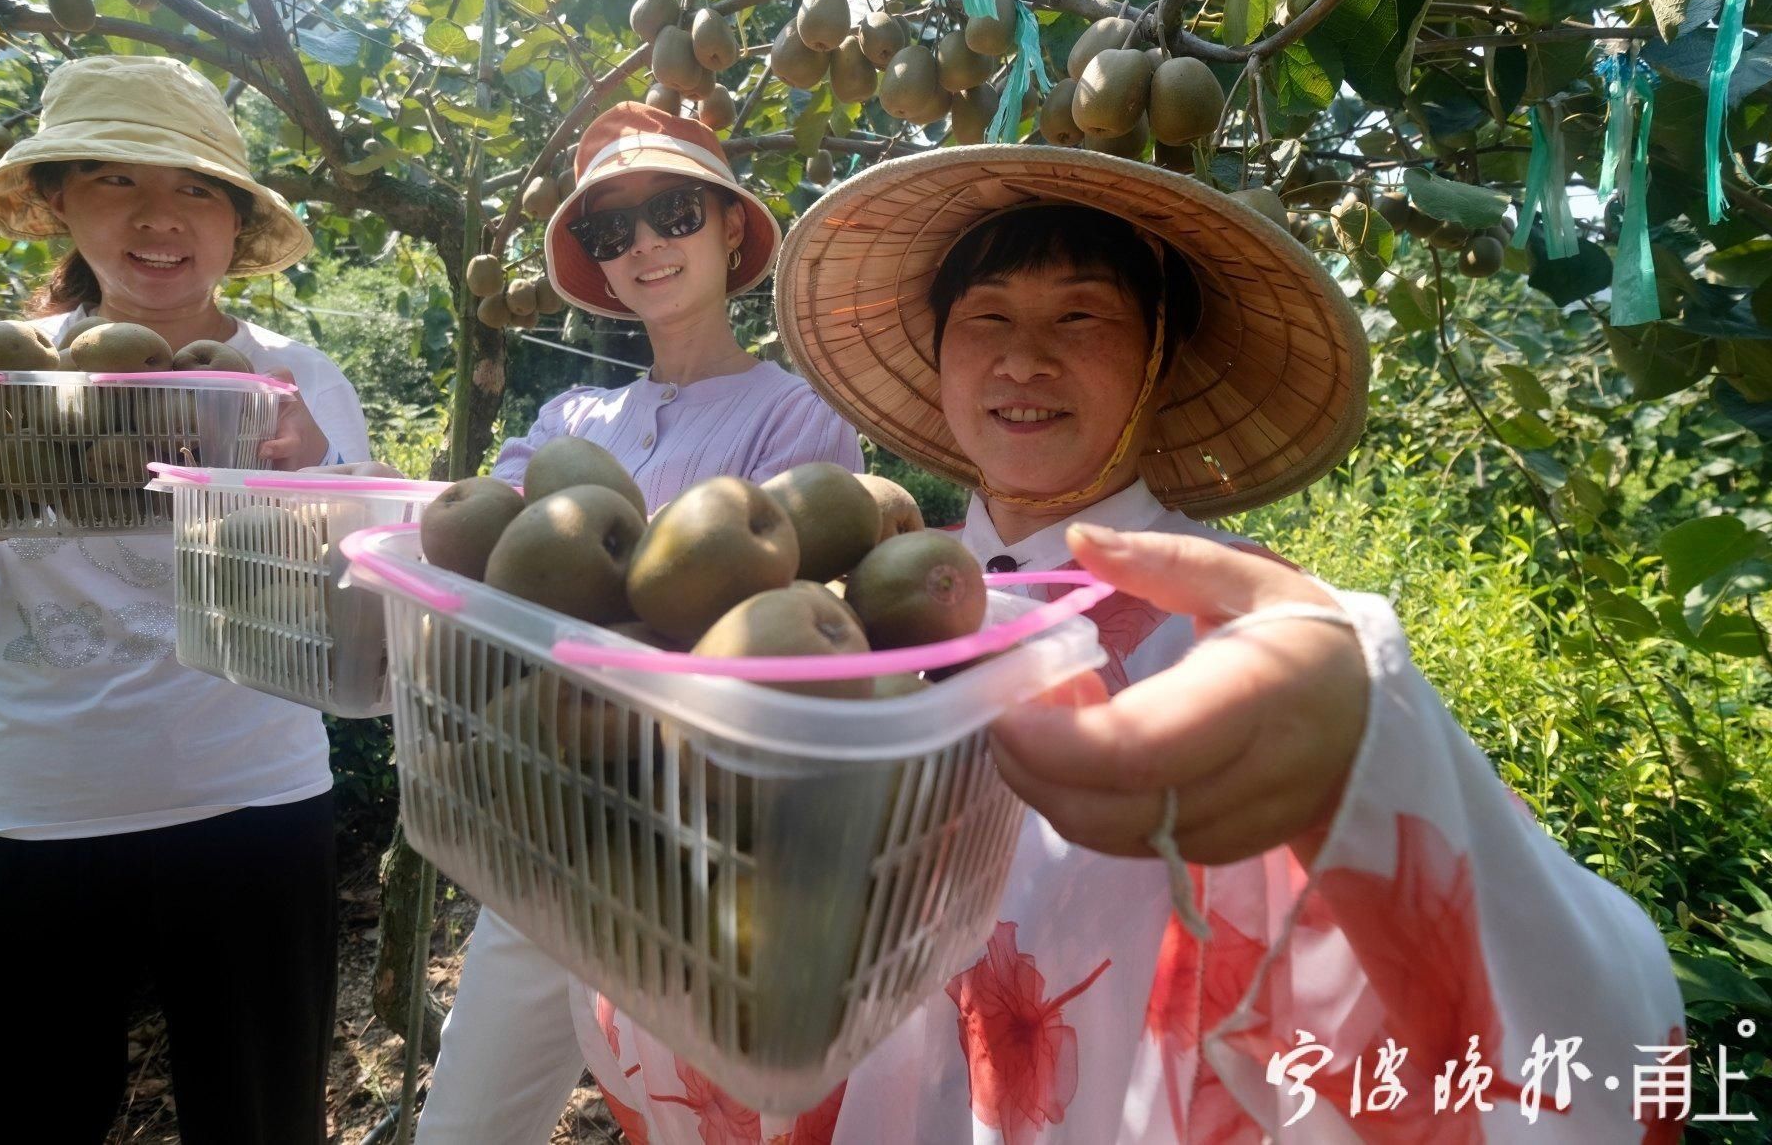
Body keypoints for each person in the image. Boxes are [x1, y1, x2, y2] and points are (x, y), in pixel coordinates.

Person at [572, 146, 1686, 1141]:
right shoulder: (838, 616)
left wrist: (1370, 744)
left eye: (1080, 320)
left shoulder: (1253, 644)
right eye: (986, 319)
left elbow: (1587, 1042)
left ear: (1158, 359)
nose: (1021, 359)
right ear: (939, 355)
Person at [0, 55, 370, 1145]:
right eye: (113, 181)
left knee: (265, 1122)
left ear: (234, 220)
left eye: (192, 188)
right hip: (37, 811)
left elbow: (355, 618)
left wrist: (311, 484)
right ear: (59, 204)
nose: (157, 217)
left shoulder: (297, 380)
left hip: (256, 802)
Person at [416, 101, 862, 1144]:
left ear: (731, 229)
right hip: (544, 826)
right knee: (465, 1126)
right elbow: (491, 558)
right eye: (611, 232)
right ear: (600, 268)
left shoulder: (797, 412)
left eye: (671, 212)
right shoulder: (566, 420)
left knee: (706, 1124)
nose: (645, 245)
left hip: (693, 855)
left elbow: (775, 626)